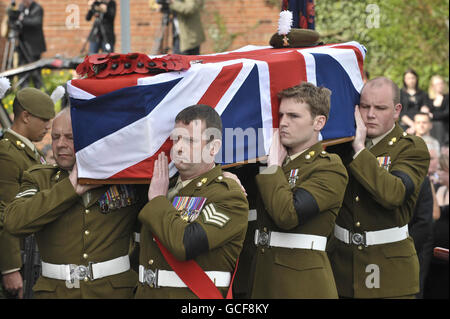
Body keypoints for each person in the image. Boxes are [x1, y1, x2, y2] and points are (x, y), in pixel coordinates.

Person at [2, 108, 147, 298]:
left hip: (113, 292)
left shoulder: (124, 180)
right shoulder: (39, 179)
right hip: (56, 292)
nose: (60, 144)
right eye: (55, 137)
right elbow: (13, 221)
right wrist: (69, 188)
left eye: (70, 137)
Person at [327, 77, 430, 298]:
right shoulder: (339, 147)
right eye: (365, 106)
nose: (371, 114)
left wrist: (360, 150)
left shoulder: (411, 147)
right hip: (342, 269)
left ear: (396, 110)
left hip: (388, 272)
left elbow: (393, 194)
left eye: (380, 108)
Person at [135, 104, 248, 299]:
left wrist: (158, 200)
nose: (178, 147)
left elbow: (185, 244)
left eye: (189, 140)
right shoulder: (164, 185)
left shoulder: (228, 195)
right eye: (176, 139)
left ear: (213, 147)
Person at [249, 82, 348, 298]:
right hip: (262, 280)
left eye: (294, 116)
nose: (283, 123)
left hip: (302, 285)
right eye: (281, 115)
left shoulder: (328, 166)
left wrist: (273, 167)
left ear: (318, 122)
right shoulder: (273, 164)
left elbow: (287, 215)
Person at [0, 87, 54, 299]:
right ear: (25, 116)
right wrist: (10, 268)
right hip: (17, 258)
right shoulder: (7, 154)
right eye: (44, 120)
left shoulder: (31, 152)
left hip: (31, 255)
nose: (48, 126)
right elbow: (5, 213)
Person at [424, 153, 449, 299]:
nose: (437, 172)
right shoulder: (440, 189)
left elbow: (437, 212)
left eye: (441, 170)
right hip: (434, 256)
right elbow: (434, 213)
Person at [17, 0, 46, 89]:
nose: (23, 2)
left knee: (35, 70)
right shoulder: (21, 7)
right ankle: (23, 90)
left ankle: (38, 90)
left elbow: (36, 22)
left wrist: (22, 19)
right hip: (23, 44)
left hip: (34, 46)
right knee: (22, 68)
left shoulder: (37, 8)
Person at [399, 69, 428, 134]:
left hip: (420, 125)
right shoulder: (400, 93)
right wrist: (413, 125)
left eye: (413, 78)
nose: (411, 80)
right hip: (404, 124)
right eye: (408, 78)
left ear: (416, 79)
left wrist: (425, 108)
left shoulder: (423, 93)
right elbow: (400, 112)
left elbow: (425, 108)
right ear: (404, 80)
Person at [422, 75, 449, 144]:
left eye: (441, 83)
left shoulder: (447, 97)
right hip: (430, 126)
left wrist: (432, 115)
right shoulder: (428, 97)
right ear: (432, 86)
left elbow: (446, 113)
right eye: (437, 84)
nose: (440, 86)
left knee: (439, 125)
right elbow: (425, 110)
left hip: (445, 126)